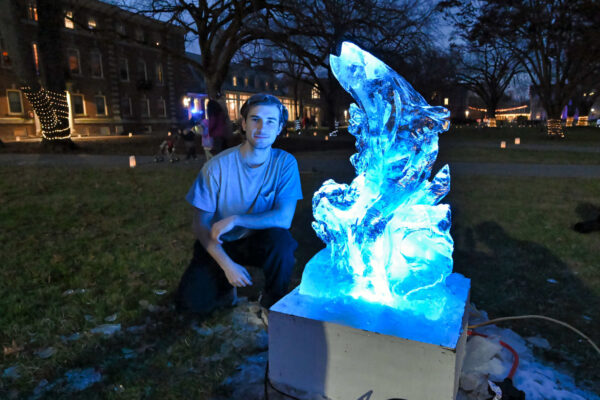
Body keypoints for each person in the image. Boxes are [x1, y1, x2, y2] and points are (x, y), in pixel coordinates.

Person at [175, 93, 303, 316]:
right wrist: (227, 265)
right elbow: (200, 225)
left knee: (282, 244)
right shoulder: (217, 167)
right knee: (190, 307)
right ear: (243, 124)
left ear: (280, 127)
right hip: (219, 242)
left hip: (258, 240)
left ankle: (272, 303)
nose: (262, 127)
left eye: (271, 121)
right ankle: (224, 288)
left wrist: (237, 219)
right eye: (255, 119)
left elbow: (284, 218)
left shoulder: (285, 163)